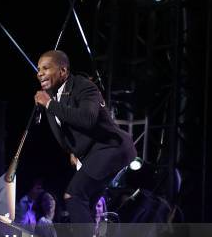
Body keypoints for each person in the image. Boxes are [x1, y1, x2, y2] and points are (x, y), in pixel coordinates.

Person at [34, 50, 136, 227]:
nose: (39, 73)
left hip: (111, 147)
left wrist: (50, 105)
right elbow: (65, 132)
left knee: (74, 195)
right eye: (38, 69)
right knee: (86, 204)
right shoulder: (52, 98)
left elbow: (87, 119)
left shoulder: (84, 87)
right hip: (94, 154)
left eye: (46, 68)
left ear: (63, 71)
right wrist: (72, 151)